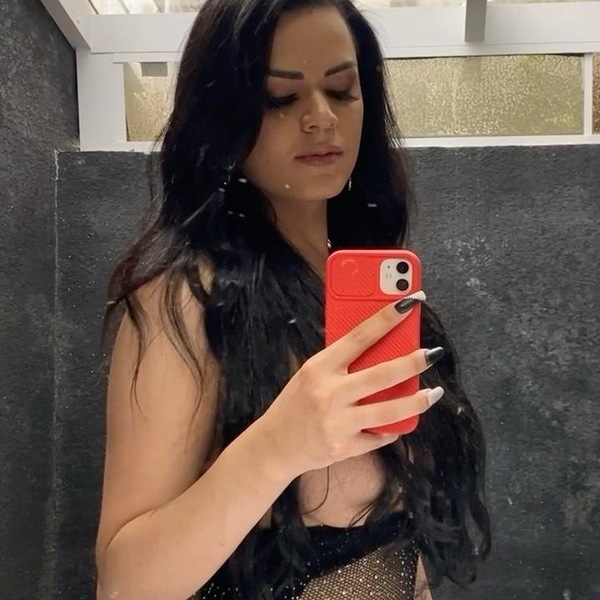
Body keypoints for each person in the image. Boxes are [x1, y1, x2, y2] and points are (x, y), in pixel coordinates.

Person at [94, 1, 491, 599]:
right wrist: (278, 446)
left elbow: (398, 541)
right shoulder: (187, 304)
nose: (321, 117)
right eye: (280, 98)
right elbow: (124, 587)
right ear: (223, 115)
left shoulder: (367, 288)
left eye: (342, 90)